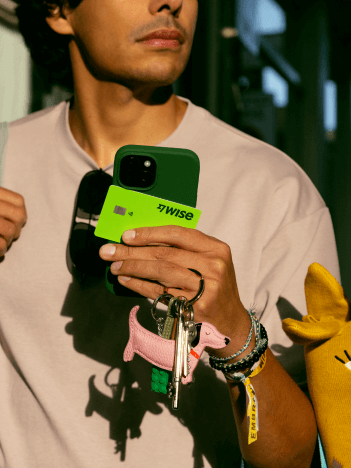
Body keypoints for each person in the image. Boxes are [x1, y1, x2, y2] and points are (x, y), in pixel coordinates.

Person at [0, 0, 339, 466]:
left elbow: (296, 458)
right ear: (59, 11)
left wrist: (238, 334)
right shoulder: (5, 160)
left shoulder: (276, 189)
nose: (171, 2)